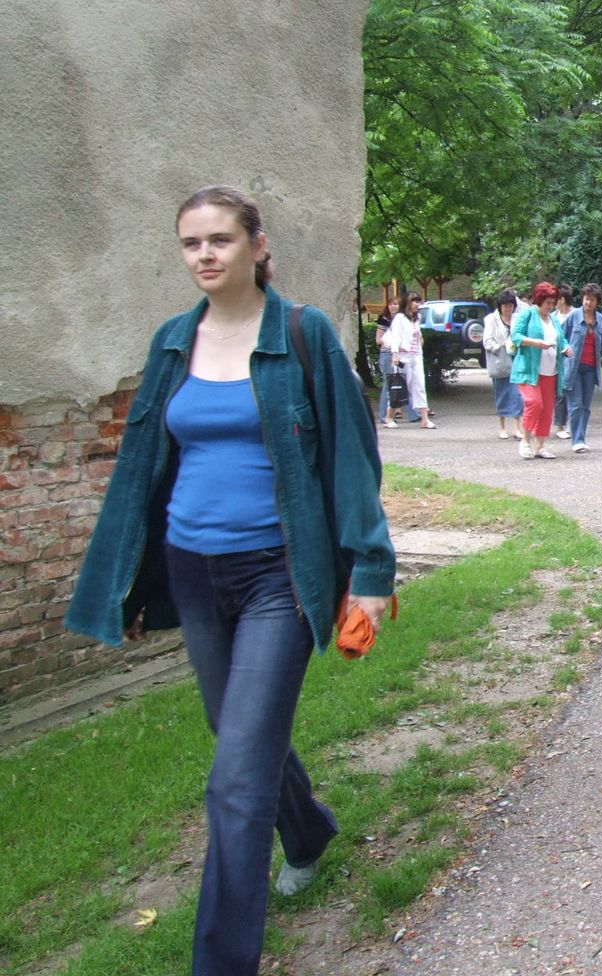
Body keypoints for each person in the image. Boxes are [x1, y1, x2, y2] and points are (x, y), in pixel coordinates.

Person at [65, 185, 395, 975]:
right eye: (191, 243)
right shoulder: (173, 342)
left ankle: (220, 961)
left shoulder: (303, 335)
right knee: (239, 734)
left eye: (220, 239)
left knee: (236, 777)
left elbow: (352, 459)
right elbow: (143, 466)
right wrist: (130, 578)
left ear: (256, 245)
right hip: (191, 567)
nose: (205, 255)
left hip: (278, 573)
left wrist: (370, 568)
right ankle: (307, 832)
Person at [512, 281, 566, 459]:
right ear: (539, 300)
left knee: (547, 410)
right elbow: (516, 336)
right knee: (534, 403)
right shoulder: (527, 314)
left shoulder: (554, 319)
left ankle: (540, 446)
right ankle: (525, 441)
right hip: (529, 370)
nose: (550, 307)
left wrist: (566, 347)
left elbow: (561, 339)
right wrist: (537, 343)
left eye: (553, 303)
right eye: (547, 303)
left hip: (551, 372)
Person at [561, 282, 602, 453]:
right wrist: (565, 348)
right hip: (573, 367)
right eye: (586, 299)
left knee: (586, 405)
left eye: (592, 300)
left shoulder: (600, 319)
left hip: (591, 367)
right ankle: (577, 439)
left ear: (597, 302)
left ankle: (581, 437)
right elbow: (561, 336)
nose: (588, 303)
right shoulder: (573, 316)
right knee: (575, 404)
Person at [384, 293, 435, 428]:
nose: (418, 304)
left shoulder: (417, 318)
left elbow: (417, 334)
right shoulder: (400, 318)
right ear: (407, 303)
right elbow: (396, 337)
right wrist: (395, 354)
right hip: (403, 356)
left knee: (420, 385)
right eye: (415, 301)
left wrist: (420, 339)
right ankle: (389, 417)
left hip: (416, 356)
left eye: (419, 302)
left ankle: (425, 420)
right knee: (399, 386)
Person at [481, 289, 522, 440]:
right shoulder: (491, 319)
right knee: (502, 395)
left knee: (518, 396)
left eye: (510, 305)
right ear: (500, 306)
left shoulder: (518, 318)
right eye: (505, 306)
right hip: (500, 362)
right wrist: (501, 346)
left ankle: (517, 428)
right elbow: (487, 341)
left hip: (517, 362)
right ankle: (502, 427)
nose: (508, 309)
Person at [374, 297, 418, 425]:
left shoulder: (404, 319)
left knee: (404, 382)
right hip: (388, 354)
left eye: (396, 304)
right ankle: (384, 415)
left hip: (402, 353)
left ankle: (413, 414)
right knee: (390, 384)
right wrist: (393, 340)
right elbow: (378, 340)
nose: (393, 306)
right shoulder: (384, 319)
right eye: (391, 304)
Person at [553, 283, 575, 438]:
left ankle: (573, 424)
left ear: (562, 299)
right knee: (560, 393)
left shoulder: (576, 314)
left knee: (573, 393)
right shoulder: (552, 317)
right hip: (556, 358)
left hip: (573, 358)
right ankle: (560, 426)